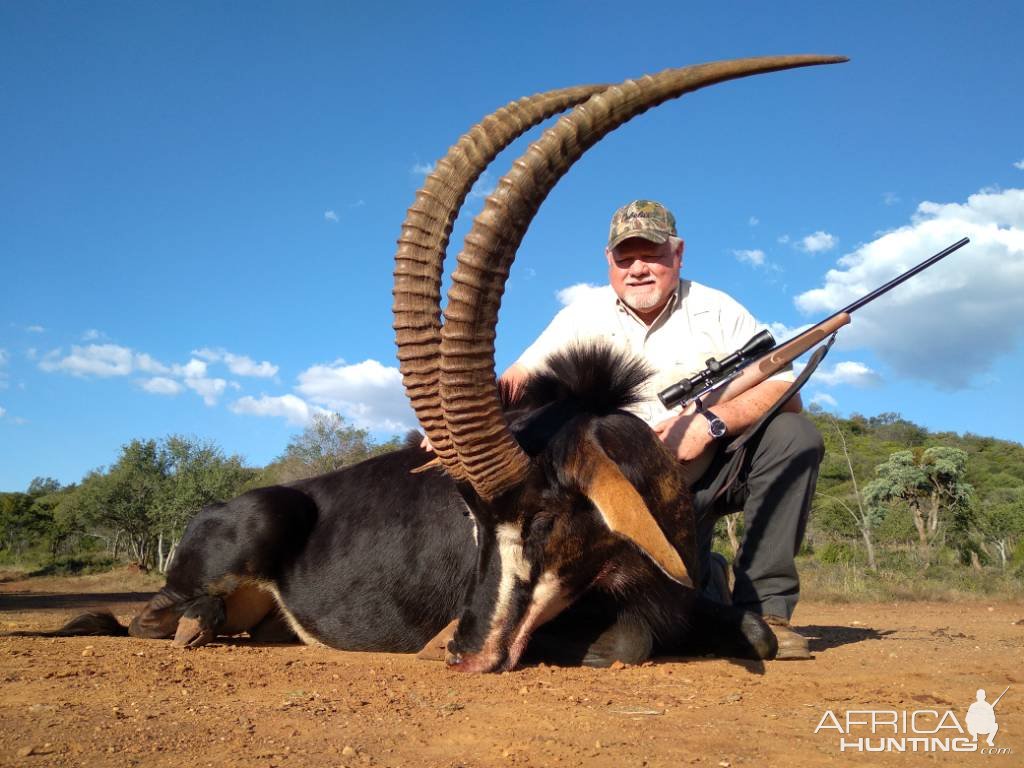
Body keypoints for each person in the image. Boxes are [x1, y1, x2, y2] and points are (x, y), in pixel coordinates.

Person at [503, 200, 824, 660]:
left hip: (702, 480)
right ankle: (703, 579)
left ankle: (767, 609)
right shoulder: (580, 315)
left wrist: (710, 422)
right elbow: (519, 378)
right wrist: (465, 415)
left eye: (651, 254)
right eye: (624, 257)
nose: (637, 269)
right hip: (608, 499)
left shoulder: (718, 310)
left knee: (795, 436)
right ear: (608, 262)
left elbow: (785, 390)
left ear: (678, 254)